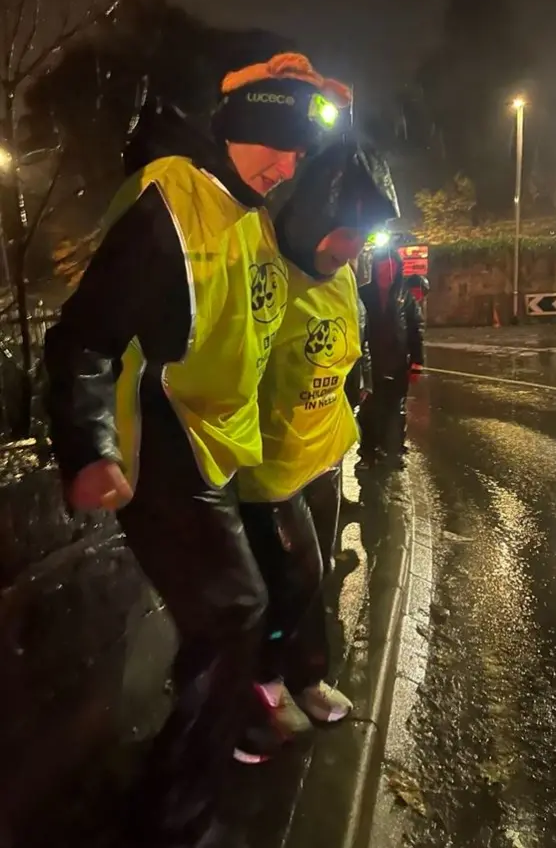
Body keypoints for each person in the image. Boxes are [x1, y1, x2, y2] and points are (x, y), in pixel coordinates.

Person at [44, 52, 350, 844]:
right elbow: (82, 340)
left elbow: (336, 211)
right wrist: (89, 448)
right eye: (275, 143)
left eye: (298, 150)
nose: (288, 166)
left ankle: (209, 737)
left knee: (230, 617)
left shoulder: (251, 209)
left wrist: (338, 124)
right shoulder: (170, 201)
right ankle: (174, 815)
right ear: (237, 130)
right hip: (157, 441)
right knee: (236, 609)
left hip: (218, 448)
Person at [238, 139, 399, 741]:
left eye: (361, 237)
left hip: (324, 455)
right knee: (293, 577)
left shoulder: (344, 275)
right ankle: (262, 677)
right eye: (345, 233)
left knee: (318, 573)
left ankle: (306, 677)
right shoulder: (265, 274)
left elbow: (349, 347)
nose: (351, 249)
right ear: (311, 219)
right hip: (270, 468)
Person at [358, 245, 424, 470]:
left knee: (396, 410)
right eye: (381, 267)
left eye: (391, 267)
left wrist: (417, 361)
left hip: (397, 364)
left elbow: (415, 329)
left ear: (397, 269)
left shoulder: (405, 297)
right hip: (370, 364)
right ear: (374, 269)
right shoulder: (363, 294)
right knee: (368, 411)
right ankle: (367, 452)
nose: (386, 271)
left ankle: (393, 451)